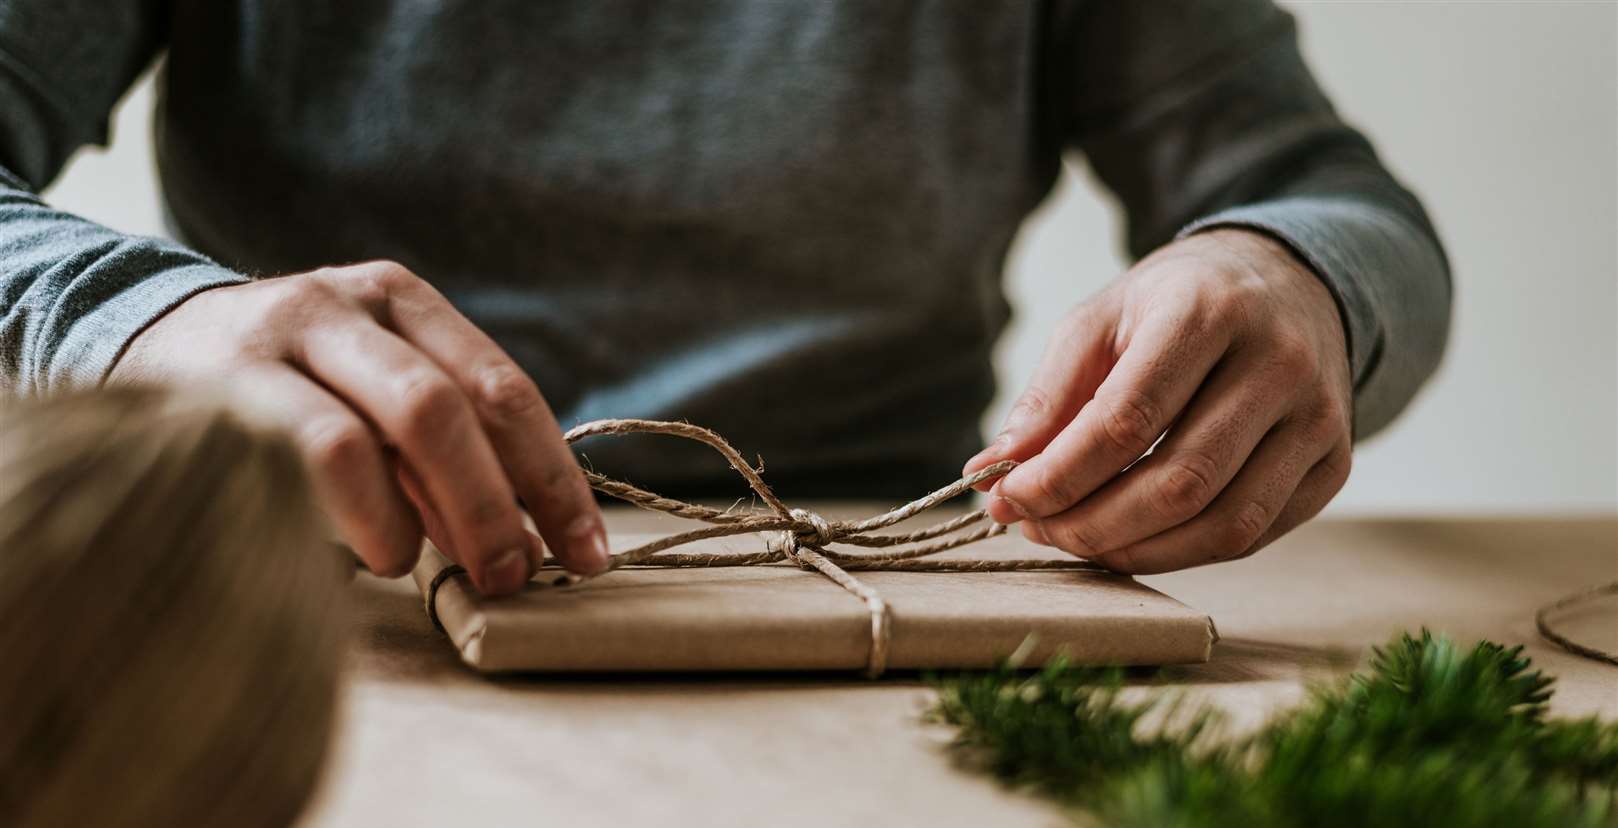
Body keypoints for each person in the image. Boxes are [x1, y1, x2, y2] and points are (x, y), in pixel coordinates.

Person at [0, 1, 1450, 597]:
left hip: (905, 608)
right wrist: (135, 321)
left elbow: (1333, 198)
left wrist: (1292, 275)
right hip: (309, 598)